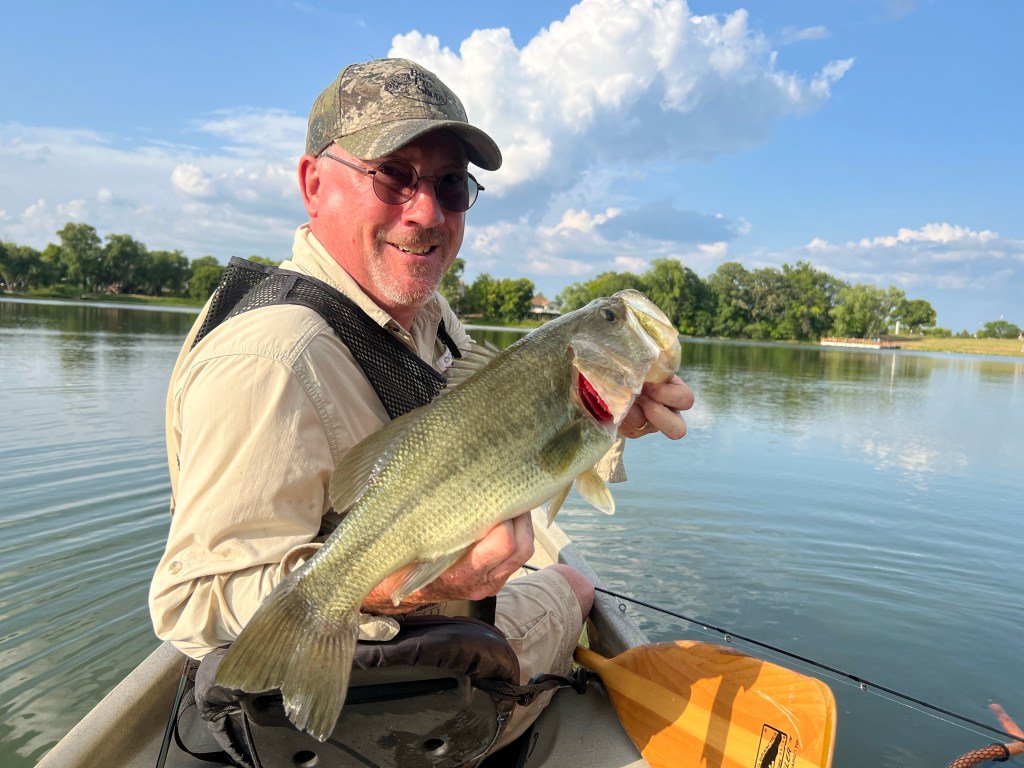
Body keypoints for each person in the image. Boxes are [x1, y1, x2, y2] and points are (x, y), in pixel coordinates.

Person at [149, 57, 694, 759]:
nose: (427, 212)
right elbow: (189, 603)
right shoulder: (270, 357)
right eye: (393, 176)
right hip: (374, 698)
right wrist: (401, 584)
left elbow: (507, 448)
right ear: (313, 184)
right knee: (575, 583)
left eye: (450, 185)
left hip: (419, 645)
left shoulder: (424, 317)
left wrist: (610, 419)